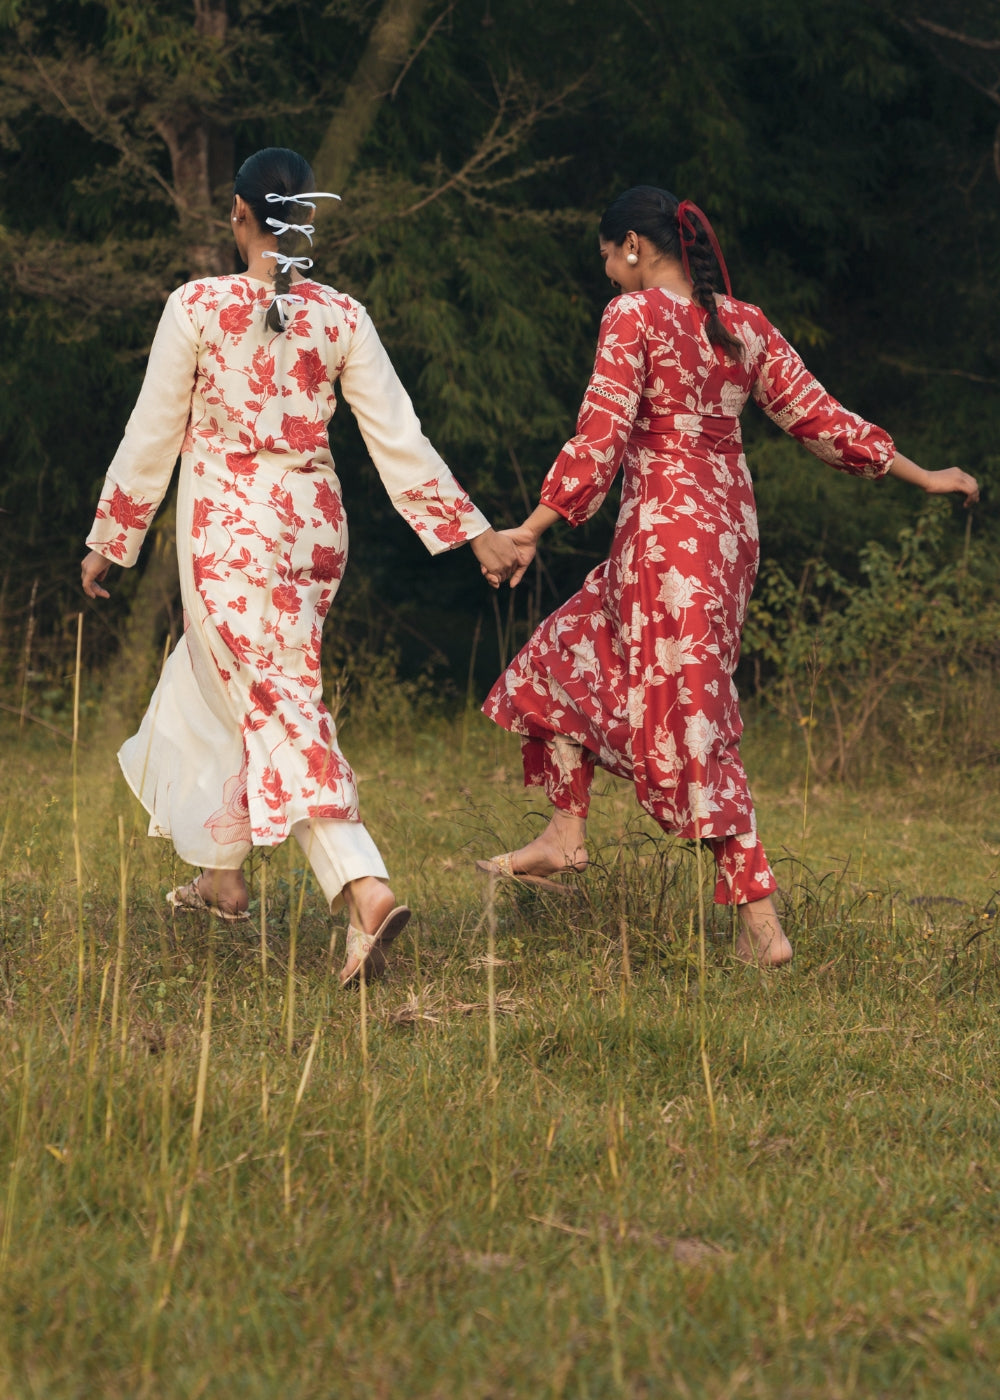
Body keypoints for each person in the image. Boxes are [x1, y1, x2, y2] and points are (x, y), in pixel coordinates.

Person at [479, 185, 979, 966]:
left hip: (666, 539)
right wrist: (923, 475)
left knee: (694, 720)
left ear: (635, 249)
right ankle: (564, 833)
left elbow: (601, 434)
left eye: (608, 256)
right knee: (563, 651)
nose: (608, 273)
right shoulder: (745, 326)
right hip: (724, 535)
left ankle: (761, 925)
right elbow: (823, 421)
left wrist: (533, 528)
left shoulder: (634, 315)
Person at [81, 146, 519, 987]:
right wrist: (474, 532)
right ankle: (221, 874)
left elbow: (152, 430)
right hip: (315, 528)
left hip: (228, 529)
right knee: (220, 679)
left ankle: (362, 886)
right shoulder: (341, 316)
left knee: (275, 698)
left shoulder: (198, 305)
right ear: (304, 222)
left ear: (237, 215)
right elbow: (400, 437)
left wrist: (112, 539)